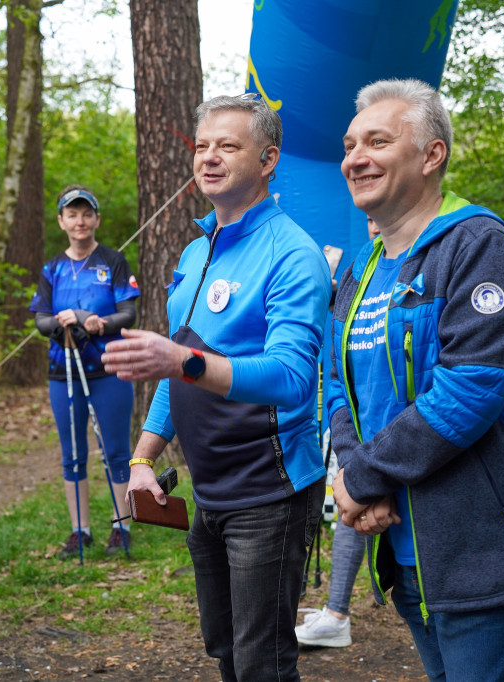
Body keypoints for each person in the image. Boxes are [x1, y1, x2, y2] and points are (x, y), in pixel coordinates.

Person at [328, 79, 504, 682]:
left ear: (432, 155)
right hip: (403, 545)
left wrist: (363, 478)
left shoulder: (479, 246)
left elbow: (470, 389)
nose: (355, 158)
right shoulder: (363, 267)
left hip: (487, 551)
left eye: (377, 141)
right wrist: (359, 475)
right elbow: (337, 381)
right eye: (349, 145)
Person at [101, 93, 331, 681]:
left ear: (268, 159)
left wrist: (186, 361)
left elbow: (292, 378)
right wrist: (143, 458)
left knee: (262, 662)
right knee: (225, 649)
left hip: (269, 491)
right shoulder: (195, 250)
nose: (209, 157)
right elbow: (177, 369)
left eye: (228, 146)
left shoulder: (294, 253)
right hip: (210, 492)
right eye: (202, 145)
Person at [30, 185, 140, 559]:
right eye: (72, 214)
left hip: (109, 369)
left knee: (116, 451)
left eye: (87, 214)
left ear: (96, 219)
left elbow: (128, 314)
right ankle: (81, 530)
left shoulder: (113, 261)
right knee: (73, 453)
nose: (80, 221)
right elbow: (41, 320)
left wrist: (97, 323)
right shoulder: (52, 269)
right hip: (64, 372)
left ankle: (121, 527)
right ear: (61, 221)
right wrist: (62, 322)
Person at [295, 216, 381, 649]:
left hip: (396, 421)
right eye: (368, 219)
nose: (374, 227)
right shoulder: (360, 268)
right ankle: (336, 612)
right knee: (351, 498)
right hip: (354, 414)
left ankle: (338, 612)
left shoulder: (424, 263)